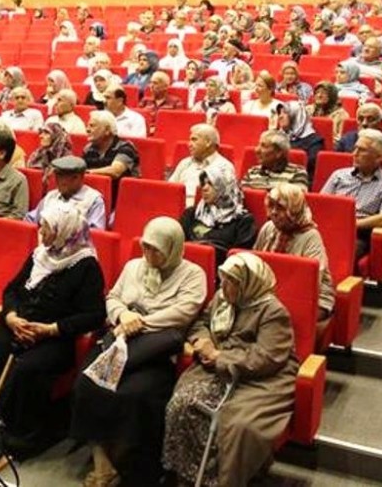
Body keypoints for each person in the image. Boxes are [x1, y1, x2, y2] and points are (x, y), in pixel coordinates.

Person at [0, 204, 105, 458]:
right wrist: (13, 316)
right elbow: (12, 290)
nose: (42, 232)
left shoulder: (86, 266)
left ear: (64, 231)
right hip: (19, 323)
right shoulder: (40, 254)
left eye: (47, 228)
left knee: (26, 369)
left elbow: (94, 315)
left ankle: (17, 433)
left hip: (54, 336)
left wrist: (50, 329)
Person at [71, 217, 207, 485]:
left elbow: (182, 313)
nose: (148, 254)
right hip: (120, 340)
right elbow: (113, 298)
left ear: (173, 249)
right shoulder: (134, 266)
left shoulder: (193, 274)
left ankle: (128, 463)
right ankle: (102, 460)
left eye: (156, 249)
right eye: (146, 246)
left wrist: (138, 323)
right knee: (88, 383)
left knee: (132, 395)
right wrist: (123, 316)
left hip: (155, 351)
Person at [163, 252, 297, 487]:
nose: (223, 286)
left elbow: (266, 357)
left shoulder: (273, 312)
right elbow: (201, 324)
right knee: (181, 404)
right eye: (222, 279)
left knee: (238, 426)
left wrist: (220, 357)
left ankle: (224, 481)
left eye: (230, 282)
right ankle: (187, 476)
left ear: (247, 284)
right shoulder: (222, 299)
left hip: (258, 378)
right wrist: (202, 342)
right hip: (215, 367)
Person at [254, 184, 334, 321]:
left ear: (294, 210)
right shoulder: (268, 228)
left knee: (275, 318)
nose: (273, 212)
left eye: (280, 208)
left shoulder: (311, 236)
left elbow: (312, 281)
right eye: (271, 206)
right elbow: (254, 263)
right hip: (270, 293)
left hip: (311, 298)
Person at [323, 129, 382, 258]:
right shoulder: (339, 175)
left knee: (341, 253)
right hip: (330, 226)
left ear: (378, 158)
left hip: (358, 233)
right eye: (355, 148)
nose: (354, 154)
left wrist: (351, 224)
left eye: (362, 150)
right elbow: (322, 203)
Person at [180, 168, 256, 264]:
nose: (204, 188)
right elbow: (177, 245)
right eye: (203, 183)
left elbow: (239, 261)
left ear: (225, 186)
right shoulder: (191, 214)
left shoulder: (244, 221)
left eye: (211, 183)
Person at [25, 156, 106, 230]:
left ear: (77, 178)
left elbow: (95, 235)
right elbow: (30, 220)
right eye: (56, 176)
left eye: (61, 176)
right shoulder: (51, 196)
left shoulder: (93, 200)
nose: (57, 181)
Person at [336, 103, 382, 180]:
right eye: (360, 119)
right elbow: (334, 165)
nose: (364, 123)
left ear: (381, 123)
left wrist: (373, 183)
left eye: (370, 119)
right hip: (346, 183)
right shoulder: (347, 139)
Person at [169, 123, 235, 208]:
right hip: (176, 209)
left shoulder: (224, 167)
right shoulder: (184, 163)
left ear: (208, 142)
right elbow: (169, 190)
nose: (189, 144)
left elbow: (224, 202)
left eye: (194, 140)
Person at [83, 110, 140, 199]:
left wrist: (88, 172)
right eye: (87, 126)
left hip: (124, 198)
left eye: (92, 126)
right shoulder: (88, 149)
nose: (87, 129)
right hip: (95, 197)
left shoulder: (126, 147)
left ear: (107, 130)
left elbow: (115, 171)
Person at [240, 130, 309, 191]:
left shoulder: (297, 174)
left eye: (264, 146)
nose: (257, 150)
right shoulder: (252, 172)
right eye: (258, 145)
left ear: (278, 152)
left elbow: (295, 202)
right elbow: (242, 198)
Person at [276, 101, 324, 178]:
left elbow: (310, 170)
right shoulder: (276, 136)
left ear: (296, 115)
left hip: (298, 180)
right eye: (279, 113)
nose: (280, 116)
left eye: (285, 113)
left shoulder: (315, 142)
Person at [138, 71, 184, 136]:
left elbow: (177, 124)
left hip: (165, 134)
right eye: (150, 82)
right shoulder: (145, 100)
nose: (151, 86)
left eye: (155, 83)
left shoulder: (176, 102)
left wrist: (156, 129)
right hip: (145, 133)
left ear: (165, 86)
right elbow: (138, 119)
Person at [306, 81, 350, 147]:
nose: (319, 95)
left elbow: (341, 139)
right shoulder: (307, 110)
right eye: (317, 92)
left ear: (332, 95)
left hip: (328, 146)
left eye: (324, 93)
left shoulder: (341, 114)